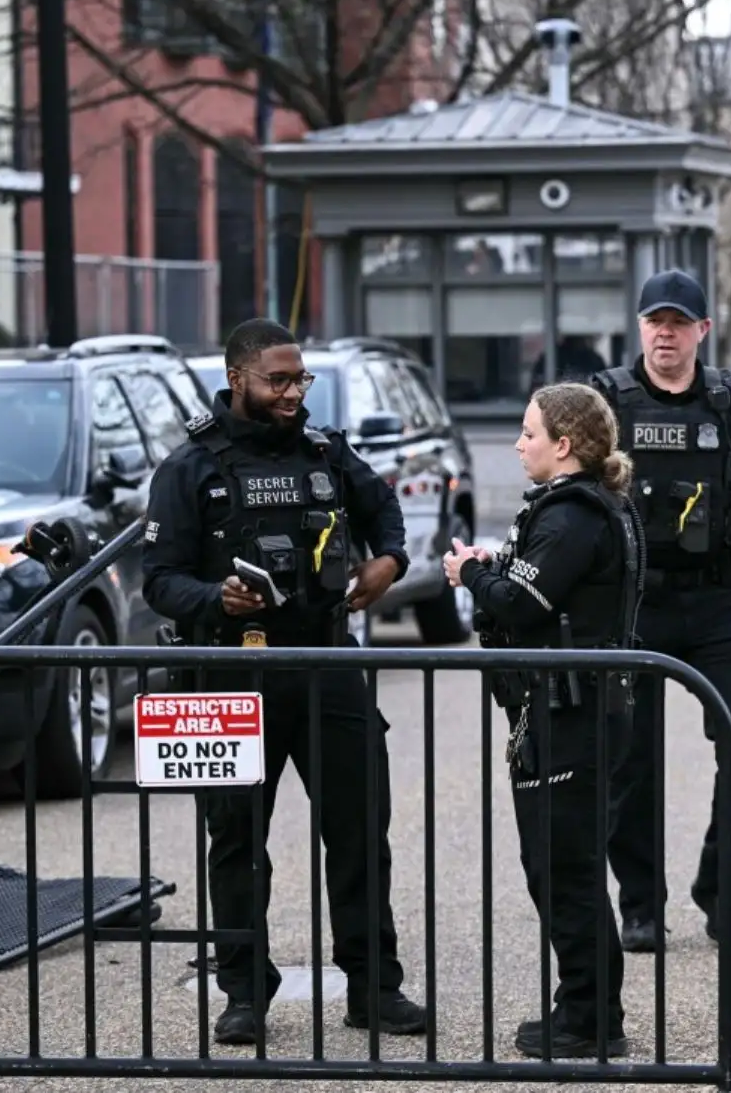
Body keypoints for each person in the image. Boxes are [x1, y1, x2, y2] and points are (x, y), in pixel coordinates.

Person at [141, 318, 428, 1044]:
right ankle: (244, 992)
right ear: (239, 378)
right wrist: (217, 601)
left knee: (362, 833)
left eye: (300, 378)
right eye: (279, 379)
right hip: (234, 676)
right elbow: (159, 582)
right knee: (237, 842)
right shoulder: (190, 467)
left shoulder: (327, 452)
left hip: (327, 664)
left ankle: (373, 987)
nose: (293, 391)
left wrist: (388, 562)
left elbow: (384, 510)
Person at [443, 382, 645, 1060]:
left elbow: (523, 604)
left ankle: (588, 1020)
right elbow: (544, 586)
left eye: (529, 433)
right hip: (577, 708)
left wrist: (469, 574)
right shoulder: (584, 509)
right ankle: (588, 1009)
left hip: (573, 712)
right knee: (565, 865)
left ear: (564, 445)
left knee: (563, 868)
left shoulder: (573, 516)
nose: (518, 444)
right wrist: (490, 566)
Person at [592, 270, 731, 952]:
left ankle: (722, 889)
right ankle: (640, 906)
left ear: (703, 330)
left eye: (679, 322)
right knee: (628, 759)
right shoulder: (604, 403)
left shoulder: (730, 405)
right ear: (640, 328)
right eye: (655, 321)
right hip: (634, 604)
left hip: (716, 601)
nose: (665, 333)